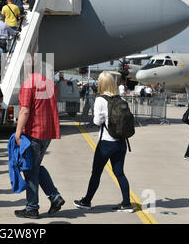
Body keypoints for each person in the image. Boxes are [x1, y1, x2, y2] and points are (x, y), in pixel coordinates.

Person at [74, 71, 133, 213]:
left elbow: (96, 121)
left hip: (106, 142)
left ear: (101, 84)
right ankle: (126, 203)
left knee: (96, 173)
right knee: (120, 173)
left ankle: (86, 201)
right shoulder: (121, 99)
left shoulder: (101, 100)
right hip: (121, 142)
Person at [13, 57, 65, 219]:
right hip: (47, 132)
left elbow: (25, 111)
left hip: (33, 133)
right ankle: (54, 197)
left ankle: (32, 208)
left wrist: (18, 131)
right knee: (36, 167)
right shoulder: (50, 84)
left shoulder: (29, 84)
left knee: (30, 170)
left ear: (27, 69)